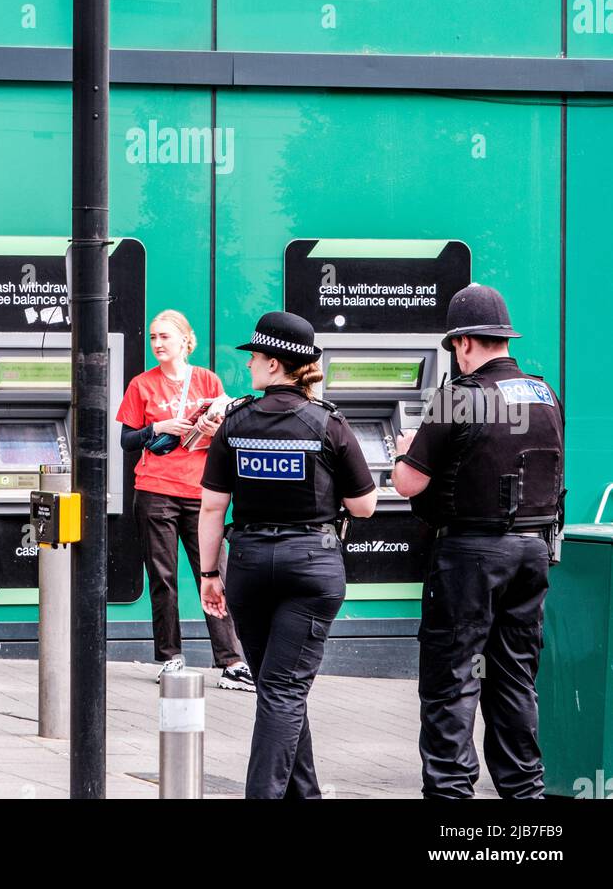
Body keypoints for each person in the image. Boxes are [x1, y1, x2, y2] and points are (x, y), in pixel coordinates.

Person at [392, 282, 565, 800]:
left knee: (453, 677)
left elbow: (408, 484)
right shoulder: (544, 393)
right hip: (532, 551)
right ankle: (525, 796)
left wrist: (405, 451)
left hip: (470, 556)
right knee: (513, 678)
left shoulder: (456, 400)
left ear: (463, 343)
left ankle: (450, 800)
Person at [198, 311, 377, 799]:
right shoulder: (328, 423)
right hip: (312, 566)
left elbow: (213, 505)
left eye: (254, 357)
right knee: (283, 690)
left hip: (250, 566)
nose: (250, 365)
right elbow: (363, 507)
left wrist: (209, 573)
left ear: (274, 364)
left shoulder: (235, 423)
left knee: (278, 687)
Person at [116, 308, 254, 689]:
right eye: (153, 338)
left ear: (184, 340)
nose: (158, 344)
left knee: (215, 576)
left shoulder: (207, 380)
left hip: (202, 493)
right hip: (155, 490)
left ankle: (231, 660)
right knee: (163, 578)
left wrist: (213, 421)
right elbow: (126, 441)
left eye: (164, 337)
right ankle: (170, 657)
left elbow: (227, 428)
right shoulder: (141, 385)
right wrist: (157, 427)